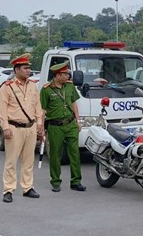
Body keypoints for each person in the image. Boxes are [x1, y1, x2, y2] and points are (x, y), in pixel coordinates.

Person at [0, 53, 44, 203]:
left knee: (28, 160)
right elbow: (2, 109)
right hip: (14, 127)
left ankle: (27, 187)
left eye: (29, 68)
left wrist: (39, 125)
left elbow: (37, 106)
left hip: (30, 128)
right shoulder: (7, 87)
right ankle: (8, 189)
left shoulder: (32, 85)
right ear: (16, 70)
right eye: (25, 68)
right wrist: (5, 127)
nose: (28, 71)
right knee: (11, 160)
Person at [40, 60, 86, 193]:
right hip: (55, 126)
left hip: (71, 124)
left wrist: (78, 120)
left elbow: (74, 104)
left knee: (75, 153)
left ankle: (76, 181)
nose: (68, 76)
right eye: (65, 74)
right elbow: (42, 110)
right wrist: (41, 128)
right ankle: (55, 181)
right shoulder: (46, 89)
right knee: (55, 154)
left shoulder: (70, 87)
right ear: (57, 75)